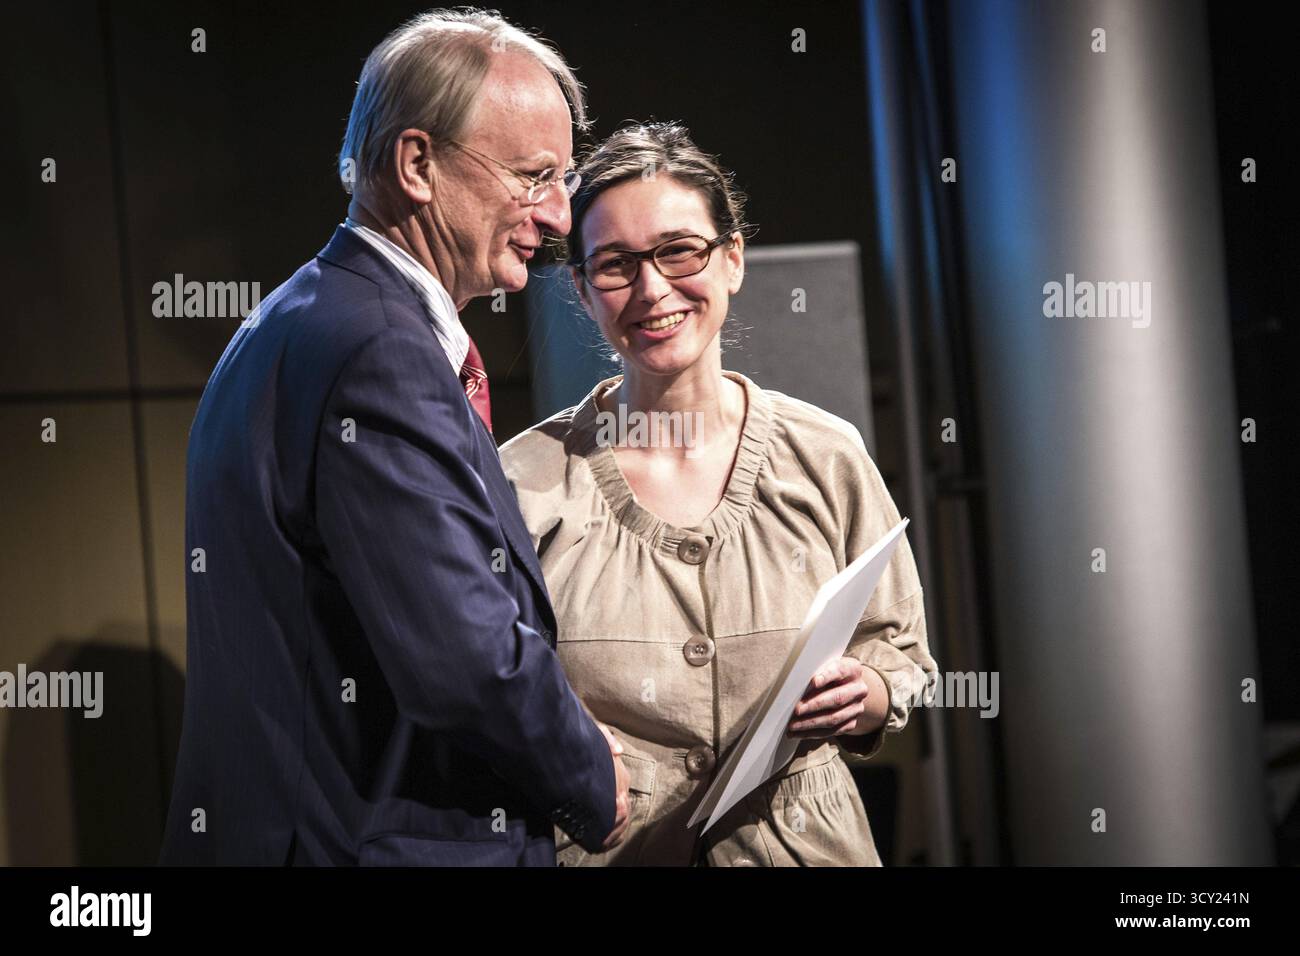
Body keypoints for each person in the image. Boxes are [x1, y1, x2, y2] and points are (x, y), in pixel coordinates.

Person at [161, 9, 629, 867]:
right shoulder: (379, 350)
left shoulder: (302, 315)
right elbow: (464, 658)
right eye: (534, 176)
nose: (560, 215)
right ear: (417, 163)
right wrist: (590, 773)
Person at [499, 122, 938, 866]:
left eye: (679, 250)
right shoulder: (524, 478)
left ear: (732, 259)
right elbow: (487, 686)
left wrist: (865, 691)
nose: (653, 289)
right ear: (580, 288)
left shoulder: (825, 455)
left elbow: (901, 654)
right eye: (615, 265)